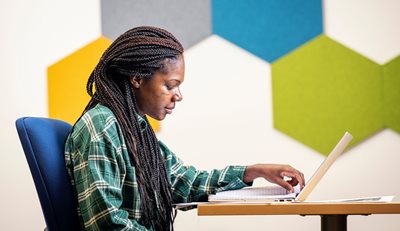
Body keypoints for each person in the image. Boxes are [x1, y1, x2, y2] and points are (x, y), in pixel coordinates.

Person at [64, 26, 305, 231]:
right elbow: (108, 225)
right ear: (136, 78)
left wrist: (252, 172)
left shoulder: (137, 130)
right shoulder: (101, 127)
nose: (178, 96)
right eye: (170, 85)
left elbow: (185, 183)